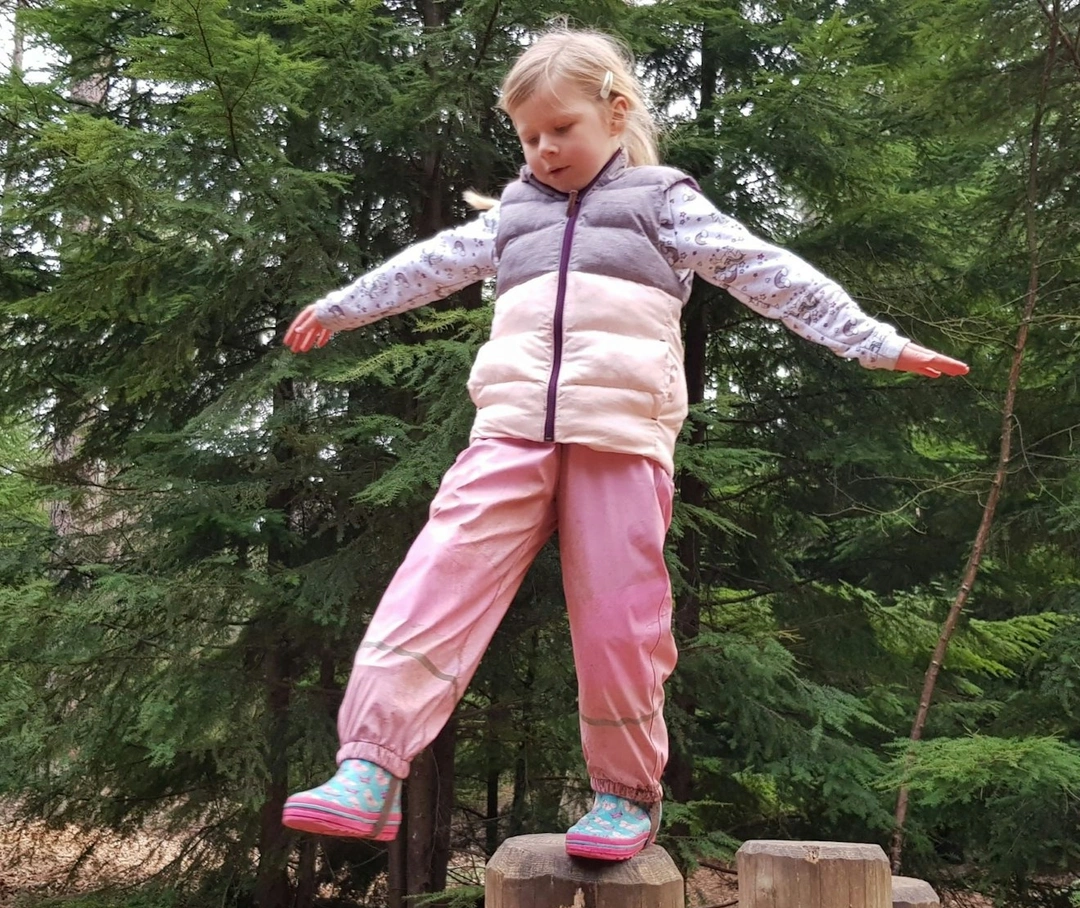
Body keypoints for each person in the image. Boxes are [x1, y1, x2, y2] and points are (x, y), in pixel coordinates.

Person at [281, 28, 968, 862]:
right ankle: (369, 767)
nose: (544, 150)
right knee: (436, 579)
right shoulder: (513, 215)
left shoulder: (661, 202)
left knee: (618, 619)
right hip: (509, 435)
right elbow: (425, 267)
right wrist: (342, 305)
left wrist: (874, 341)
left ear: (615, 111)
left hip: (619, 442)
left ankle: (622, 791)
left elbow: (766, 271)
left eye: (560, 129)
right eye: (529, 137)